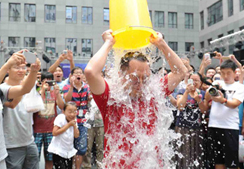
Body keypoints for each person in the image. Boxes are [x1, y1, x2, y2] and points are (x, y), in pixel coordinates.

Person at [84, 30, 187, 168]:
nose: (140, 83)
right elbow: (91, 72)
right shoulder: (111, 97)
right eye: (134, 78)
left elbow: (181, 72)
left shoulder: (154, 92)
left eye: (145, 78)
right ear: (121, 74)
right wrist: (109, 43)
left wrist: (161, 44)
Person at [207, 59, 244, 169]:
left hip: (229, 127)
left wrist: (222, 100)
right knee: (218, 161)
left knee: (232, 163)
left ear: (235, 73)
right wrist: (211, 90)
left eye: (228, 73)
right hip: (213, 126)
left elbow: (234, 104)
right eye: (223, 73)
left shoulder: (240, 87)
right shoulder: (217, 84)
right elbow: (207, 98)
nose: (225, 76)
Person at [2, 63, 39, 169]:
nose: (21, 70)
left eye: (23, 68)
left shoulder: (30, 88)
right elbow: (11, 105)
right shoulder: (1, 89)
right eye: (16, 67)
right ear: (8, 69)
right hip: (11, 144)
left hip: (29, 140)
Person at [175, 73, 209, 168]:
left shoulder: (203, 93)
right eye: (191, 80)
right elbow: (180, 106)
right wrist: (187, 92)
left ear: (201, 82)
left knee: (196, 155)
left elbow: (204, 111)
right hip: (182, 127)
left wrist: (198, 100)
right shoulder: (182, 91)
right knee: (183, 154)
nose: (193, 82)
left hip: (197, 128)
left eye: (196, 80)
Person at [33, 72, 64, 169]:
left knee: (49, 158)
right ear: (41, 82)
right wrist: (42, 91)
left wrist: (57, 94)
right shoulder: (36, 92)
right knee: (35, 158)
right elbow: (34, 107)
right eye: (45, 82)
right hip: (37, 130)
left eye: (50, 82)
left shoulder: (55, 92)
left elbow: (62, 106)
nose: (48, 85)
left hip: (51, 130)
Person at [63, 67, 91, 169]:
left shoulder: (87, 87)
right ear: (71, 76)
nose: (78, 75)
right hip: (70, 121)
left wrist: (90, 97)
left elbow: (89, 99)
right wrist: (71, 86)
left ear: (83, 76)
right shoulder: (66, 87)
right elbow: (67, 100)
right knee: (69, 147)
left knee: (81, 148)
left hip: (83, 121)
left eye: (80, 73)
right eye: (76, 73)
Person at [48, 102, 79, 169]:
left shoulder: (74, 120)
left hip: (68, 151)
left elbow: (76, 135)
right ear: (64, 111)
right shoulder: (60, 118)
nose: (72, 114)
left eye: (74, 112)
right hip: (58, 151)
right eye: (70, 112)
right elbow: (54, 132)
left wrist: (74, 126)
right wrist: (68, 125)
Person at [83, 72, 105, 169]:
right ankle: (86, 166)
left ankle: (100, 166)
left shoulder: (105, 89)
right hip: (88, 123)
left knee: (100, 148)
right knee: (87, 147)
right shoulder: (87, 88)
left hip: (101, 123)